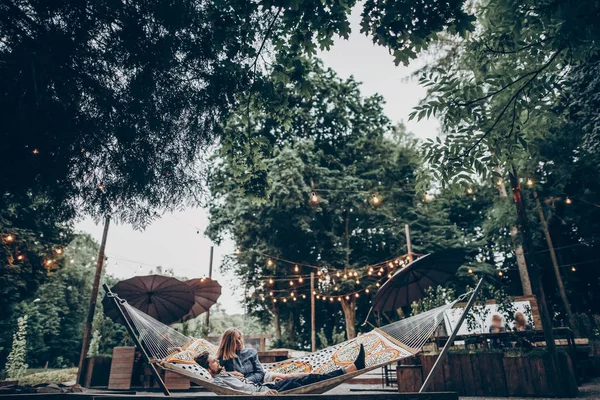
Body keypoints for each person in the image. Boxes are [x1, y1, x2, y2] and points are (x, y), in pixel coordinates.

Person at [195, 344, 366, 394]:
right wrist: (263, 393)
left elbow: (246, 382)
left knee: (308, 378)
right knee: (309, 380)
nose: (217, 361)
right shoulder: (219, 381)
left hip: (269, 385)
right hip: (268, 389)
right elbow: (243, 392)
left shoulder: (223, 374)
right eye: (213, 362)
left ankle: (350, 368)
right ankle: (351, 368)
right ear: (209, 369)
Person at [217, 328, 302, 383]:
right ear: (229, 343)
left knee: (287, 376)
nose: (239, 342)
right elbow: (216, 374)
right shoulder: (223, 358)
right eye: (235, 341)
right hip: (244, 386)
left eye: (239, 338)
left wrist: (248, 380)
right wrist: (230, 373)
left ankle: (313, 376)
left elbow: (259, 372)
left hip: (261, 377)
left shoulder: (251, 352)